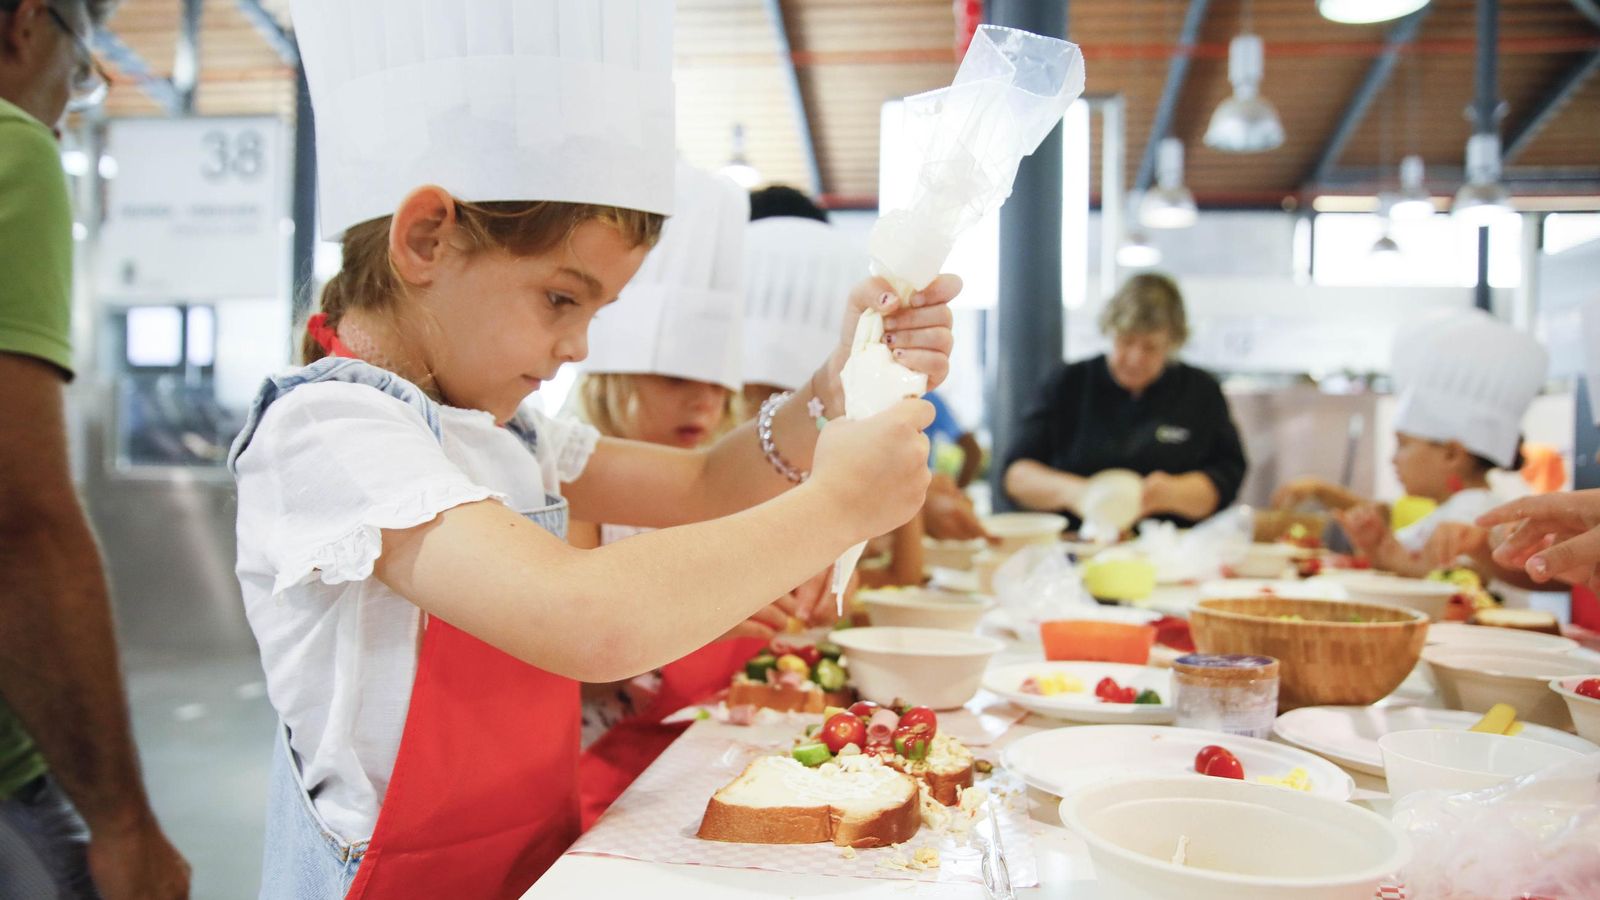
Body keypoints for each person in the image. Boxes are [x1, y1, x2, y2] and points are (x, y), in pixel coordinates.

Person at [241, 3, 956, 896]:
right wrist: (837, 506)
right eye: (560, 299)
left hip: (527, 859)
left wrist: (833, 385)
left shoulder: (513, 432)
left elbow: (704, 484)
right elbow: (582, 618)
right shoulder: (328, 431)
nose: (578, 347)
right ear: (426, 238)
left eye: (596, 311)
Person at [566, 161, 830, 826]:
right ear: (613, 374)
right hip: (595, 776)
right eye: (675, 379)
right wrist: (701, 614)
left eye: (716, 384)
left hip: (698, 756)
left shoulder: (718, 476)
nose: (703, 402)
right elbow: (577, 667)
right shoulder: (573, 479)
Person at [0, 2, 189, 897]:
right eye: (81, 70)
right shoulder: (12, 146)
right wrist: (123, 822)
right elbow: (18, 525)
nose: (68, 108)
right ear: (26, 24)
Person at [1281, 309, 1548, 578]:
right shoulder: (1449, 508)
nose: (1393, 459)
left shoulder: (1472, 515)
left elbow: (1456, 582)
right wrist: (1380, 553)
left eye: (1404, 445)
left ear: (1452, 454)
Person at [1003, 272, 1247, 529]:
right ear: (1109, 331)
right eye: (1126, 341)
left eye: (1150, 347)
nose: (1135, 358)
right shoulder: (1067, 383)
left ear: (1172, 344)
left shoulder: (1200, 391)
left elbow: (1229, 474)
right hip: (1076, 541)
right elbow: (1016, 476)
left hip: (1171, 543)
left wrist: (1176, 492)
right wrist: (1081, 494)